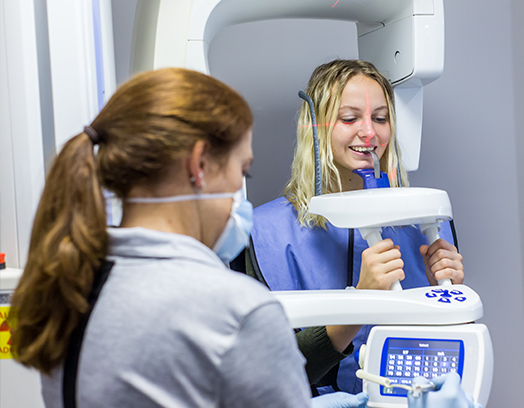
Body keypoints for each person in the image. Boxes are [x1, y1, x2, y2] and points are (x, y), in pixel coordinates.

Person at [8, 68, 369, 408]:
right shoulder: (235, 311)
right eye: (243, 171)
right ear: (199, 165)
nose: (239, 193)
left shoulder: (67, 285)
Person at [238, 60, 465, 394]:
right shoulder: (264, 234)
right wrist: (360, 303)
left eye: (380, 118)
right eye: (349, 118)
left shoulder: (426, 222)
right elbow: (263, 374)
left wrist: (448, 298)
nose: (369, 133)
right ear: (314, 127)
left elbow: (455, 354)